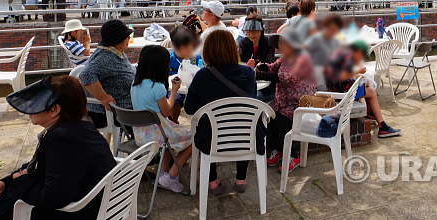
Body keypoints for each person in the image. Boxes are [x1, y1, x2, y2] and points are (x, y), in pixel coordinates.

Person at [0, 77, 115, 220]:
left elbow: (53, 198)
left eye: (37, 103)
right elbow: (43, 167)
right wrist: (5, 182)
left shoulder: (61, 139)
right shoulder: (80, 126)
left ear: (54, 110)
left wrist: (16, 183)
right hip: (99, 208)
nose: (29, 108)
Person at [183, 29, 257, 193]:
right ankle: (241, 179)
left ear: (208, 51)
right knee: (243, 121)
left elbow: (189, 108)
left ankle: (213, 182)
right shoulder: (248, 73)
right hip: (246, 138)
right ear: (233, 49)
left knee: (207, 126)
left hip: (212, 141)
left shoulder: (202, 76)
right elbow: (252, 104)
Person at [130, 45, 193, 193]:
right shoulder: (157, 87)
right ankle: (172, 175)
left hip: (141, 134)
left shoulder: (134, 84)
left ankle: (162, 175)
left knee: (168, 142)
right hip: (157, 135)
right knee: (195, 139)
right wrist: (174, 91)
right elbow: (167, 111)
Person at [254, 28, 316, 173]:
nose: (280, 46)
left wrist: (262, 75)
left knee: (280, 120)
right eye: (280, 43)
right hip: (283, 103)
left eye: (284, 43)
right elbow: (273, 68)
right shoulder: (285, 58)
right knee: (267, 117)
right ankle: (278, 150)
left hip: (299, 105)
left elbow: (286, 78)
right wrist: (262, 66)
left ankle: (293, 156)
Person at [325, 41, 402, 138]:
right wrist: (358, 71)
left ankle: (372, 115)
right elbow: (342, 76)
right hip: (341, 94)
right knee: (371, 92)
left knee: (367, 87)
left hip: (339, 90)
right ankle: (382, 126)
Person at [78, 20, 135, 127]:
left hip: (125, 108)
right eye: (126, 36)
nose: (128, 38)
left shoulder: (116, 51)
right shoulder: (105, 57)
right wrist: (104, 97)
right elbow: (86, 74)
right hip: (116, 112)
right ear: (117, 39)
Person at [303, 13, 343, 89]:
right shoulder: (316, 39)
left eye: (336, 30)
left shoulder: (335, 41)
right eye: (332, 29)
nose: (333, 31)